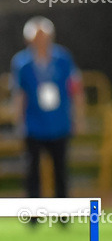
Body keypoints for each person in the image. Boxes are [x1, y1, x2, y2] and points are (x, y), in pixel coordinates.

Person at [11, 16, 83, 204]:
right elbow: (20, 94)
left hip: (59, 121)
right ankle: (34, 213)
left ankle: (63, 213)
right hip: (34, 122)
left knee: (60, 169)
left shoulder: (63, 58)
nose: (41, 41)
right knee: (32, 170)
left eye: (44, 36)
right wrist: (19, 121)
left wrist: (78, 116)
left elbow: (74, 87)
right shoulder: (22, 62)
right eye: (37, 37)